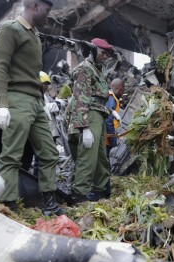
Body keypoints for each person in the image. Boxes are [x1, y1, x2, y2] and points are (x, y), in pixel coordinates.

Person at [0, 0, 64, 215]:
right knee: (12, 155)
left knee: (49, 153)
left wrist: (44, 102)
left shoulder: (35, 36)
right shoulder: (10, 29)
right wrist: (2, 104)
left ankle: (49, 203)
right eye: (47, 11)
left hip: (35, 101)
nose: (48, 16)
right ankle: (8, 205)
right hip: (17, 99)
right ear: (34, 6)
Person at [67, 38, 113, 203]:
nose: (106, 57)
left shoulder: (97, 70)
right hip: (89, 115)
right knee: (88, 157)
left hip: (99, 114)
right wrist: (84, 127)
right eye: (103, 53)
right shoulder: (86, 69)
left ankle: (99, 193)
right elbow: (81, 98)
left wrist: (111, 112)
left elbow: (99, 96)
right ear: (93, 51)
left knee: (101, 157)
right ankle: (78, 196)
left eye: (108, 54)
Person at [105, 78, 123, 155]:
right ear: (120, 88)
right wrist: (113, 143)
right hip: (106, 139)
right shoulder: (111, 98)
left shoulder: (109, 97)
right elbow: (108, 121)